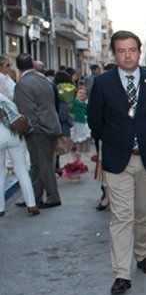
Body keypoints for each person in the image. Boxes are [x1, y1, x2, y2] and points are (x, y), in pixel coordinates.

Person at [87, 30, 146, 295]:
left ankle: (143, 255)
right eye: (121, 50)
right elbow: (95, 122)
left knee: (145, 215)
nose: (127, 55)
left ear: (139, 51)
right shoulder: (102, 83)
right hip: (117, 160)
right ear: (114, 53)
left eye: (132, 50)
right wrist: (115, 142)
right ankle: (122, 273)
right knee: (122, 217)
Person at [13, 53, 63, 209]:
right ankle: (33, 197)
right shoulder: (42, 78)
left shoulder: (23, 83)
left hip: (39, 129)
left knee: (43, 164)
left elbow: (29, 112)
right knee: (37, 163)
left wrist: (31, 130)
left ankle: (53, 197)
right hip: (50, 125)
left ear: (18, 67)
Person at [0, 91, 39, 217]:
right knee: (22, 171)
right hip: (15, 134)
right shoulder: (3, 97)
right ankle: (31, 204)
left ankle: (0, 208)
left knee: (0, 173)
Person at [70, 86, 92, 154]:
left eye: (84, 93)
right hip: (74, 125)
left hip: (83, 126)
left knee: (82, 147)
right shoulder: (73, 102)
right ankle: (75, 161)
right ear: (76, 94)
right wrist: (70, 114)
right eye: (80, 93)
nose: (82, 95)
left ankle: (80, 161)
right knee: (73, 146)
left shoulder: (87, 105)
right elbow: (69, 111)